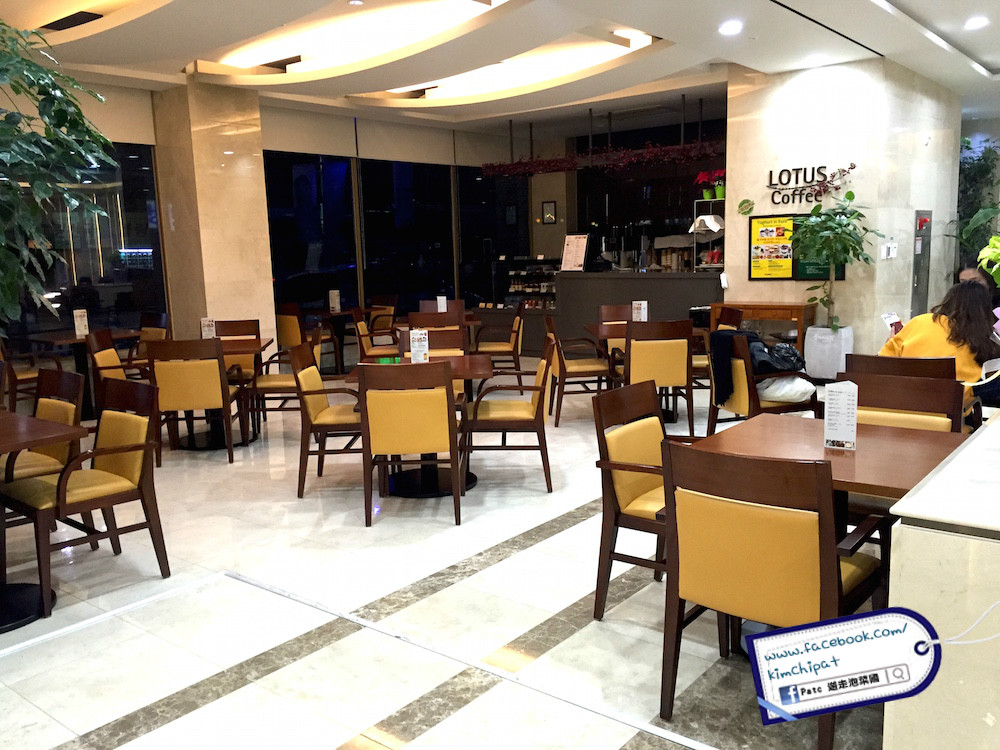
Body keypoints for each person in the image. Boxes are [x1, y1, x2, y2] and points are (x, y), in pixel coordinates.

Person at [880, 281, 1000, 402]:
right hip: (950, 407)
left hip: (902, 402)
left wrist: (891, 341)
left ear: (949, 301)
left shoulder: (920, 321)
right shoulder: (979, 339)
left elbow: (881, 362)